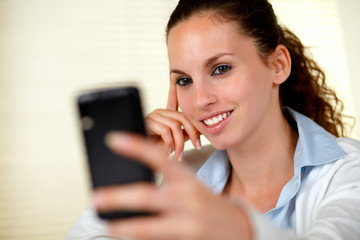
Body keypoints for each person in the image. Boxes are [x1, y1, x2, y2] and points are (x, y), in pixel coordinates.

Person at [66, 0, 360, 239]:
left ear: (278, 65)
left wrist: (240, 229)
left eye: (220, 69)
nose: (200, 99)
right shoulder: (182, 175)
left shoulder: (349, 172)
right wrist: (128, 170)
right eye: (184, 80)